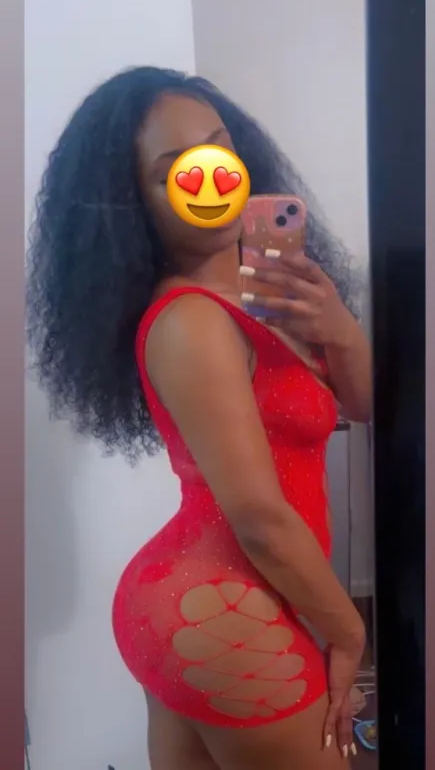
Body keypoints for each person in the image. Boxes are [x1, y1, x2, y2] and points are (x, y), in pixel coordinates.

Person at [26, 66, 372, 770]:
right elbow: (260, 519)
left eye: (218, 147)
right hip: (222, 601)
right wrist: (347, 630)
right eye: (173, 172)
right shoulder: (191, 321)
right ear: (133, 205)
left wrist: (337, 329)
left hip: (202, 601)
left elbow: (365, 406)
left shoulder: (266, 302)